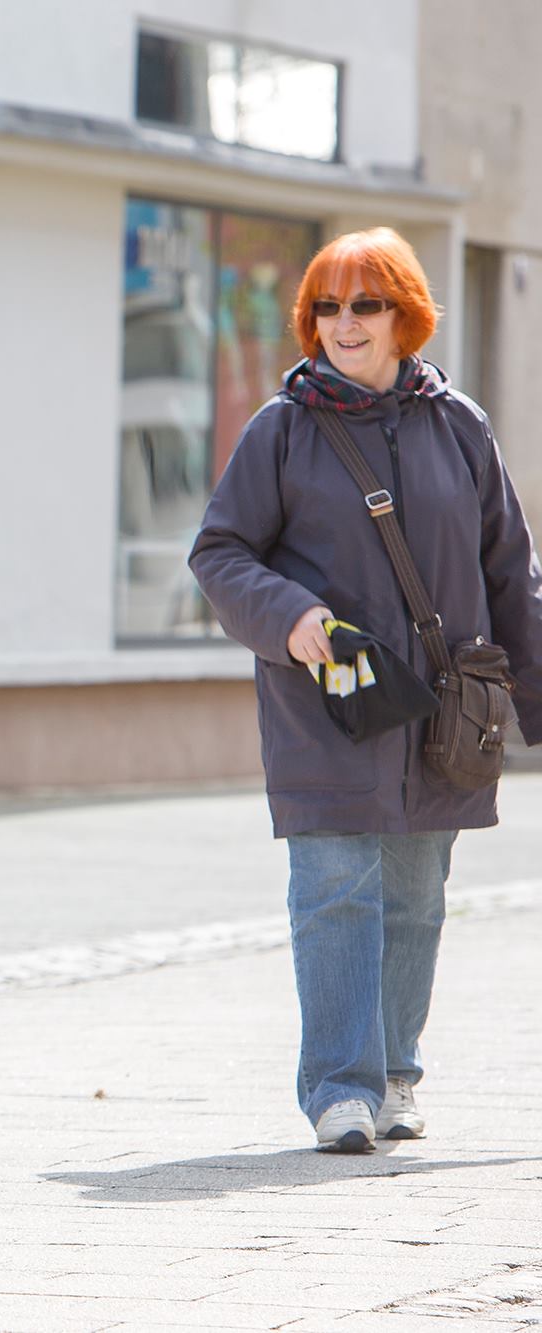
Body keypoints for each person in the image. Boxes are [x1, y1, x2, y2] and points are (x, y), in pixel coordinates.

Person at [190, 227, 542, 1153]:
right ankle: (339, 1088)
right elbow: (220, 551)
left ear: (403, 316)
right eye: (328, 307)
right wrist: (289, 613)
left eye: (366, 305)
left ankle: (393, 1074)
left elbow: (511, 572)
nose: (344, 323)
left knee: (417, 896)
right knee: (336, 888)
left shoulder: (459, 426)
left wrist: (536, 703)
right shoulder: (282, 430)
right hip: (326, 704)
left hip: (441, 712)